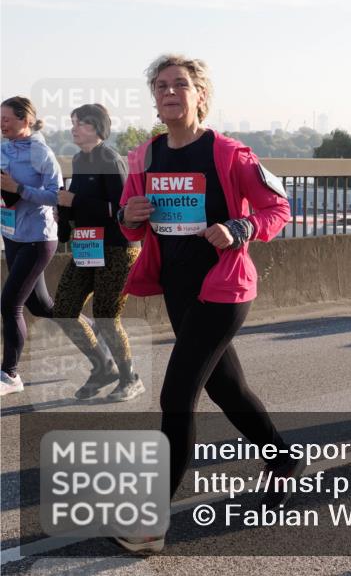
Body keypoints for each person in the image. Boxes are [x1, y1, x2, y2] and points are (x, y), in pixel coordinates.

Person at [113, 55, 295, 553]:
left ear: (201, 96)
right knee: (229, 389)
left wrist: (240, 228)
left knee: (176, 398)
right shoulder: (143, 158)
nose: (170, 92)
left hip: (224, 287)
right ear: (154, 98)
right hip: (179, 289)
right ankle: (282, 458)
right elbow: (130, 223)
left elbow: (277, 207)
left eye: (181, 84)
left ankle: (150, 525)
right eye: (161, 85)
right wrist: (127, 214)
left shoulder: (229, 154)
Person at [52, 104, 144, 401]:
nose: (73, 129)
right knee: (64, 308)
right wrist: (63, 220)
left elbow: (120, 210)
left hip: (118, 248)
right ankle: (103, 367)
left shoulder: (110, 159)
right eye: (72, 123)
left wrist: (74, 199)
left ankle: (130, 377)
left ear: (94, 127)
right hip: (87, 244)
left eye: (78, 124)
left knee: (106, 316)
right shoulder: (80, 159)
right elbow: (72, 202)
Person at [1, 96, 62, 397]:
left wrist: (20, 189)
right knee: (42, 305)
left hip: (38, 239)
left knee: (10, 303)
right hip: (11, 234)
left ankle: (10, 374)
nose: (2, 124)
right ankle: (95, 333)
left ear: (25, 120)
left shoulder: (41, 151)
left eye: (7, 118)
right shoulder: (3, 149)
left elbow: (56, 195)